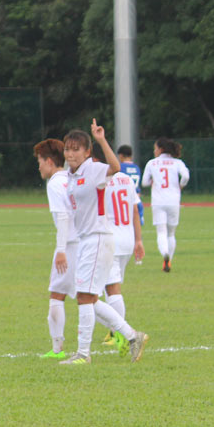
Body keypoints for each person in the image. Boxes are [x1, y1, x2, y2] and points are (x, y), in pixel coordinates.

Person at [59, 119, 148, 365]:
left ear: (87, 152)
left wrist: (100, 139)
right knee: (87, 297)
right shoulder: (71, 175)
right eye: (67, 149)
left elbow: (115, 166)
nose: (71, 153)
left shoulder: (92, 169)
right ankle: (132, 336)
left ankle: (83, 354)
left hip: (98, 238)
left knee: (86, 296)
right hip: (88, 240)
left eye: (76, 149)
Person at [93, 142, 145, 351]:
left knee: (111, 290)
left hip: (110, 239)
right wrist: (139, 240)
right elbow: (134, 211)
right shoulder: (125, 179)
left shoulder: (101, 180)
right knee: (113, 288)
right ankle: (117, 333)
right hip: (127, 238)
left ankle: (121, 335)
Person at [33, 139, 78, 360]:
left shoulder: (54, 183)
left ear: (50, 162)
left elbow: (63, 217)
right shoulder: (72, 178)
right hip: (83, 241)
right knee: (80, 296)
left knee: (62, 296)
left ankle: (127, 333)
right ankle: (57, 348)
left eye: (40, 161)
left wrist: (60, 249)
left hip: (69, 245)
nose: (39, 166)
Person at [141, 137, 190, 273]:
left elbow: (144, 182)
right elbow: (186, 176)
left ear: (160, 149)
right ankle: (168, 261)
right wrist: (180, 185)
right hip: (173, 200)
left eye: (155, 148)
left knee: (161, 231)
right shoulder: (177, 163)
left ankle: (164, 254)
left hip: (158, 201)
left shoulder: (152, 163)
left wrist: (152, 182)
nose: (154, 151)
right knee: (171, 233)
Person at [117, 145, 145, 227]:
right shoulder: (136, 168)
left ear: (121, 155)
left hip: (125, 200)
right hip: (137, 200)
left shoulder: (120, 167)